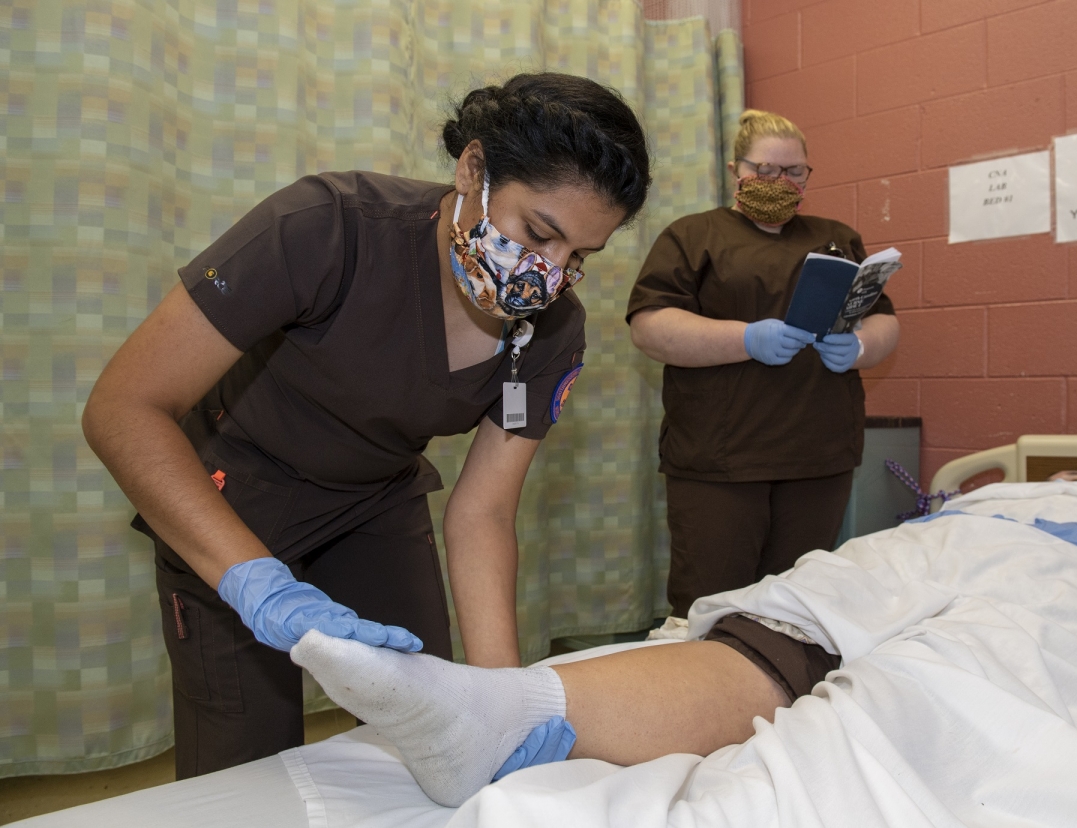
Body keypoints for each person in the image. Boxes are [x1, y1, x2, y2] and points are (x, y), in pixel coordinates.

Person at [81, 72, 652, 777]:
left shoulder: (551, 330)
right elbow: (123, 406)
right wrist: (254, 581)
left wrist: (503, 702)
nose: (549, 275)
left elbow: (484, 512)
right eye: (539, 233)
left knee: (440, 727)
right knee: (244, 763)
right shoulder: (326, 227)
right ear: (473, 169)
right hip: (233, 494)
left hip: (374, 502)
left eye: (580, 258)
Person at [292, 484, 1077, 808]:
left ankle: (854, 751)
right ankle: (517, 713)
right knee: (806, 605)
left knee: (966, 660)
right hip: (967, 534)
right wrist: (1019, 500)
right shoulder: (1006, 497)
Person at [625, 109, 901, 621]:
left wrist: (861, 347)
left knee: (797, 609)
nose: (780, 182)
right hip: (721, 459)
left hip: (818, 456)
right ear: (736, 170)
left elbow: (885, 321)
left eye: (795, 172)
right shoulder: (693, 236)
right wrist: (746, 338)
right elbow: (650, 327)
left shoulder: (836, 237)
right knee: (711, 607)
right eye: (766, 170)